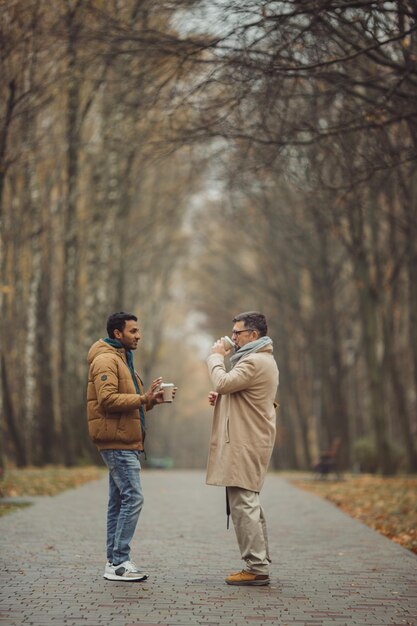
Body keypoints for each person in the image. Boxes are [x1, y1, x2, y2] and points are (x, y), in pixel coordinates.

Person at [87, 311, 169, 582]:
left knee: (119, 501)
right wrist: (142, 397)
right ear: (117, 333)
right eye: (133, 331)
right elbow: (107, 400)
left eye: (138, 330)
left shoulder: (122, 359)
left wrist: (150, 400)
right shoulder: (105, 360)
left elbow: (130, 403)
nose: (138, 335)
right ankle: (120, 562)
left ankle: (114, 561)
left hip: (125, 440)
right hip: (117, 441)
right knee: (133, 498)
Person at [206, 311, 279, 586]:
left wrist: (215, 357)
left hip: (247, 441)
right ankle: (259, 561)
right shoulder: (258, 360)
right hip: (249, 438)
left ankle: (256, 567)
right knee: (249, 501)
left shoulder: (254, 361)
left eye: (238, 332)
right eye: (233, 332)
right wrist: (224, 398)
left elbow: (223, 381)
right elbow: (241, 393)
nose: (232, 337)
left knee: (243, 503)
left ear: (254, 335)